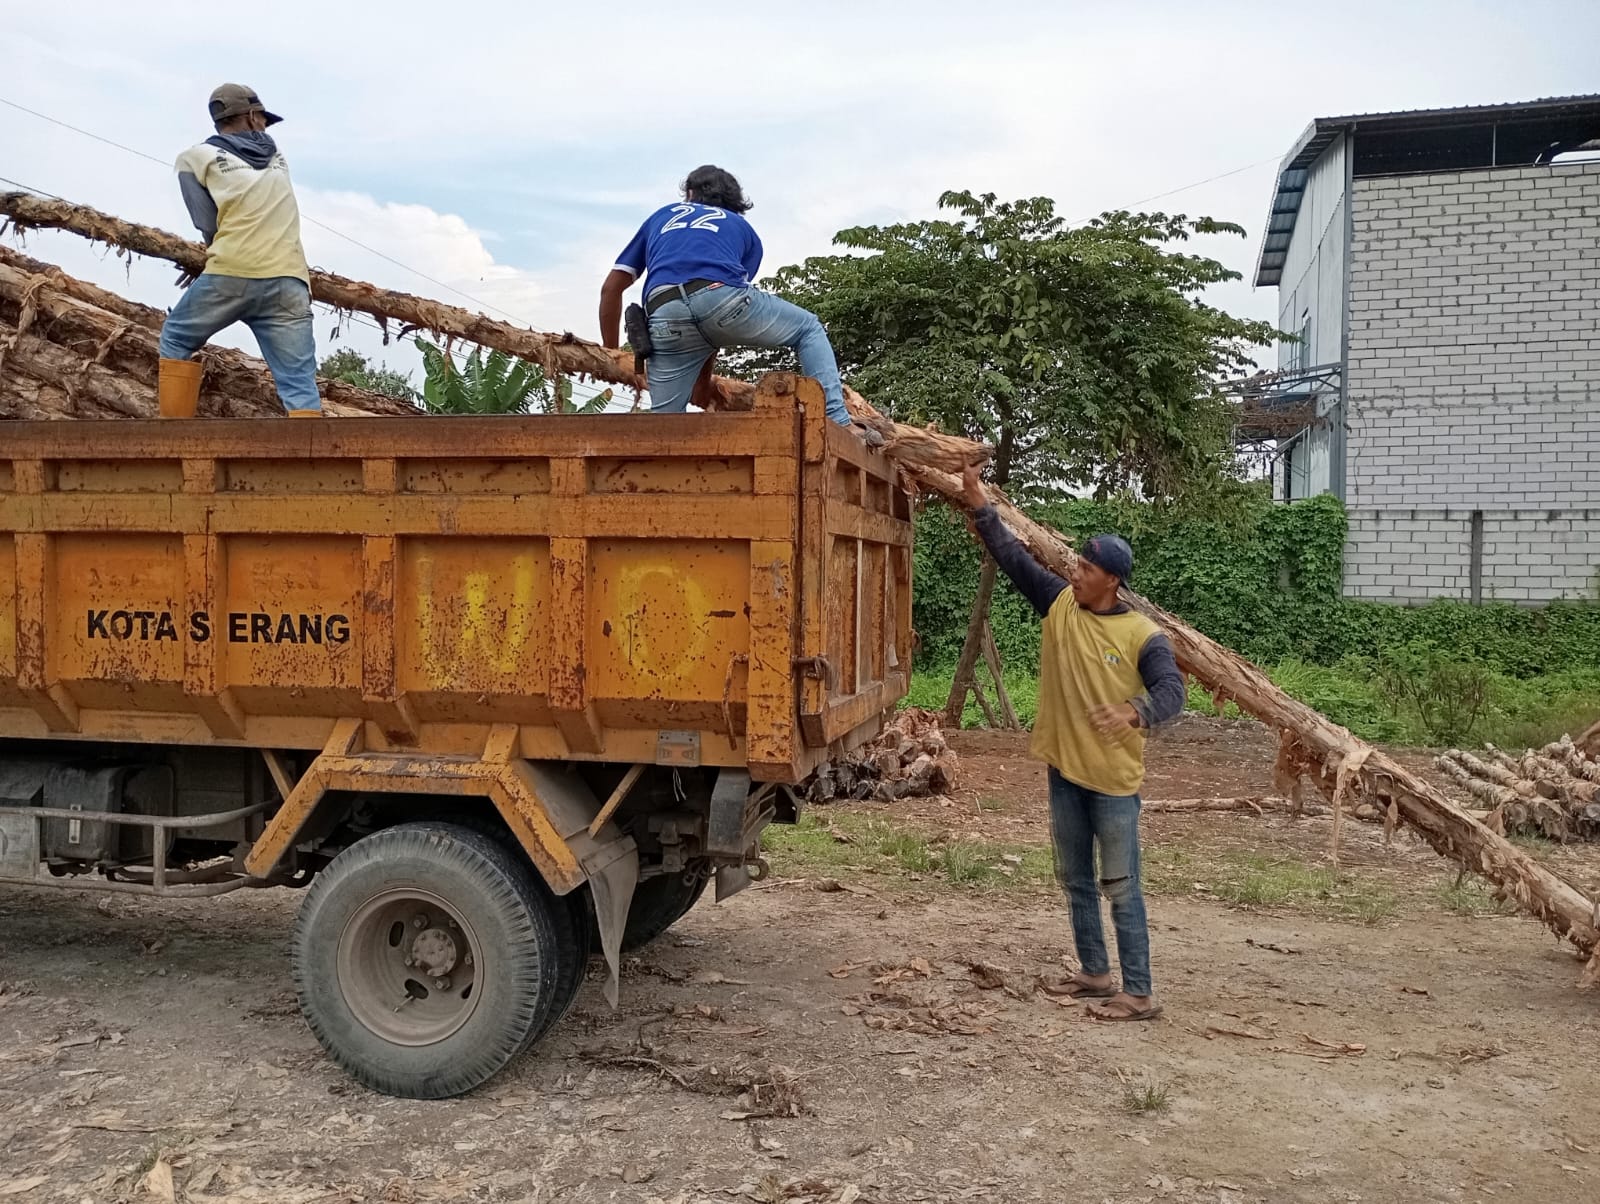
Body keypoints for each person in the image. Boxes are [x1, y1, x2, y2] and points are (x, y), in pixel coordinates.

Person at [960, 461, 1185, 1021]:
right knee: (1075, 878)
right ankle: (1094, 971)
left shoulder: (1142, 635)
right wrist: (976, 499)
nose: (1075, 572)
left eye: (1086, 568)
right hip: (1064, 770)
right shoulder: (1060, 603)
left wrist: (1137, 711)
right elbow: (1013, 557)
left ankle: (1138, 993)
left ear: (1112, 581)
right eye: (1077, 564)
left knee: (1121, 885)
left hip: (1111, 783)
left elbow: (1173, 691)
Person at [597, 165, 854, 427]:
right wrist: (702, 384)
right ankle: (837, 423)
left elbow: (611, 289)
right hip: (721, 300)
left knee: (664, 428)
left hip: (665, 315)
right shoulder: (741, 228)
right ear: (735, 201)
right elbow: (716, 310)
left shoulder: (661, 218)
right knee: (808, 328)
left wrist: (611, 355)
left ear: (689, 193)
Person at [156, 83, 320, 418]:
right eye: (262, 118)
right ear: (250, 116)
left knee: (175, 339)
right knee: (299, 383)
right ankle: (315, 464)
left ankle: (172, 442)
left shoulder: (194, 159)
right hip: (289, 280)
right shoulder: (277, 157)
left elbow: (206, 224)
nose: (264, 126)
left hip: (231, 273)